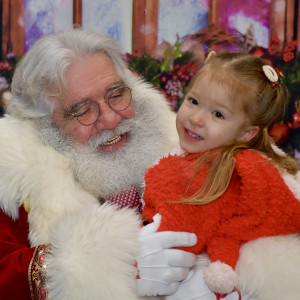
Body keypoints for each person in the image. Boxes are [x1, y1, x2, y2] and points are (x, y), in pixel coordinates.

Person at [0, 28, 199, 300]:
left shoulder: (190, 144)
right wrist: (105, 262)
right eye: (82, 110)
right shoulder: (12, 182)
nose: (111, 118)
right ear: (43, 126)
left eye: (116, 94)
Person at [142, 51, 300, 299]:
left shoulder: (229, 171)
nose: (195, 119)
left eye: (217, 114)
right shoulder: (182, 155)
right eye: (193, 101)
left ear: (246, 133)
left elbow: (184, 229)